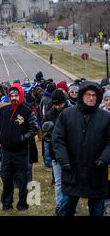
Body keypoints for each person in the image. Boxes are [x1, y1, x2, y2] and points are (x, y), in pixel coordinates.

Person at [52, 81, 110, 216]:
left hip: (96, 173)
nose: (91, 98)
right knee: (65, 209)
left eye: (94, 95)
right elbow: (58, 139)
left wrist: (104, 159)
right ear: (81, 95)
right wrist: (64, 160)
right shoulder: (67, 114)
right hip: (73, 172)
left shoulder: (106, 117)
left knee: (97, 211)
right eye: (88, 94)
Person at [0, 83, 38, 211]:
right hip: (6, 151)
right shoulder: (3, 110)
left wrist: (23, 138)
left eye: (16, 95)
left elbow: (34, 128)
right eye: (11, 95)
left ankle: (23, 204)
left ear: (21, 95)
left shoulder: (27, 110)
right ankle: (7, 204)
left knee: (23, 179)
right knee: (6, 177)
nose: (13, 97)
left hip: (21, 151)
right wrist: (0, 136)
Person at [43, 89, 72, 214]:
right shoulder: (50, 114)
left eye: (59, 103)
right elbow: (46, 132)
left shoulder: (71, 112)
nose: (57, 106)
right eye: (55, 104)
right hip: (55, 152)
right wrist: (47, 134)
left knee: (70, 181)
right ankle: (59, 204)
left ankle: (71, 204)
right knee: (59, 182)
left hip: (71, 152)